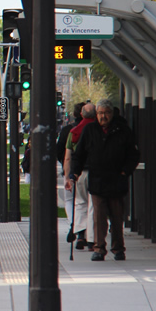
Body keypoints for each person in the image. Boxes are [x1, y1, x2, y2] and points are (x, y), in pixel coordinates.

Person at [71, 99, 140, 261]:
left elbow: (133, 154)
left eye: (106, 113)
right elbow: (79, 154)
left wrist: (125, 172)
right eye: (100, 113)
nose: (103, 116)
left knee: (116, 217)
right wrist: (74, 172)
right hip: (97, 180)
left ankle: (118, 248)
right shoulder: (90, 130)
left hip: (116, 180)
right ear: (96, 114)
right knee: (98, 217)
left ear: (112, 114)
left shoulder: (122, 130)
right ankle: (99, 247)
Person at [64, 103, 96, 250]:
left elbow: (68, 157)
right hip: (95, 172)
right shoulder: (98, 130)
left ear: (81, 115)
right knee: (92, 205)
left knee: (80, 203)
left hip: (80, 173)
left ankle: (80, 235)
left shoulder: (74, 132)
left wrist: (68, 176)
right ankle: (91, 238)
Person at [56, 102, 83, 221]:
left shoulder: (68, 130)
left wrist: (64, 165)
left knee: (69, 199)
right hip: (87, 170)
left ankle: (73, 223)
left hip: (70, 169)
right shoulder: (94, 128)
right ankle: (83, 227)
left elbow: (60, 150)